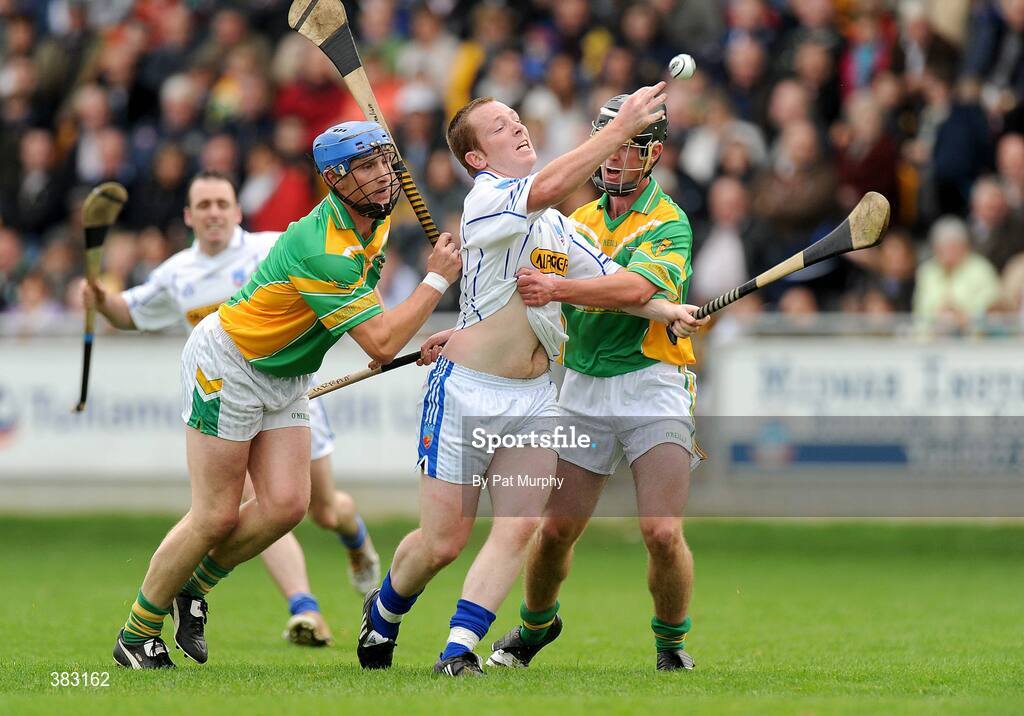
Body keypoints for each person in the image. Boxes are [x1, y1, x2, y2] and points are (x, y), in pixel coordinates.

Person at [357, 83, 706, 676]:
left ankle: (459, 650)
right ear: (477, 159)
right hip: (466, 391)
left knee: (518, 528)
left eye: (518, 119)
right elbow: (545, 188)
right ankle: (385, 610)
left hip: (536, 399)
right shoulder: (490, 200)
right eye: (500, 127)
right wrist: (617, 132)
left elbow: (612, 280)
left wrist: (665, 310)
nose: (518, 128)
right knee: (442, 542)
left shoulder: (557, 226)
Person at [106, 121, 462, 669]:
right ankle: (137, 632)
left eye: (384, 162)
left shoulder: (376, 221)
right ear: (335, 179)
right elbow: (385, 340)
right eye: (364, 167)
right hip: (229, 365)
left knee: (288, 505)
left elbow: (370, 310)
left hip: (286, 373)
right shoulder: (321, 247)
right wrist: (435, 281)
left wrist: (362, 322)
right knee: (216, 514)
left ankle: (192, 588)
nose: (382, 176)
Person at [82, 170, 383, 650]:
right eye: (203, 205)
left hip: (289, 382)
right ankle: (300, 606)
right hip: (229, 382)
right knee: (227, 508)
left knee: (316, 508)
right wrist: (100, 301)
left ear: (237, 211)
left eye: (222, 203)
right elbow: (128, 313)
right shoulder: (177, 273)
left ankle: (355, 543)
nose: (214, 213)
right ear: (189, 216)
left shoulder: (274, 247)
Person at [485, 93, 705, 673]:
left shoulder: (669, 221)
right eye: (607, 146)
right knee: (555, 529)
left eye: (628, 148)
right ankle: (535, 628)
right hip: (581, 388)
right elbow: (532, 300)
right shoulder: (573, 222)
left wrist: (559, 290)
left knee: (660, 530)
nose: (613, 161)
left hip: (652, 381)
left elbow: (634, 291)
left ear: (652, 153)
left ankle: (671, 645)